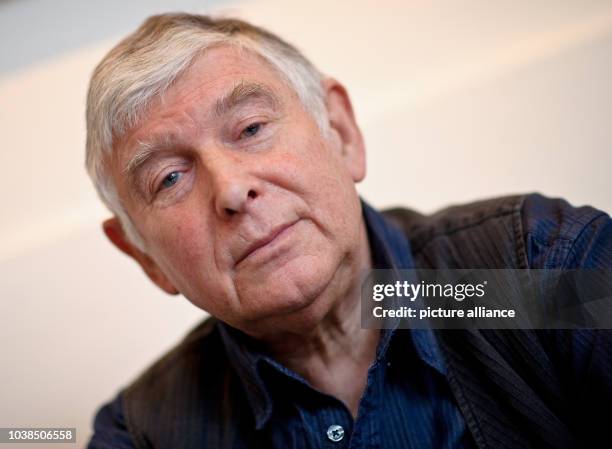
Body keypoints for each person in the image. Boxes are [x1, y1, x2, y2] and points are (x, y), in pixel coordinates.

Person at [85, 13, 612, 449]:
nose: (230, 190)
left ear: (340, 132)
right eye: (170, 178)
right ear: (143, 255)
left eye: (250, 129)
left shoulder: (544, 273)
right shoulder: (143, 435)